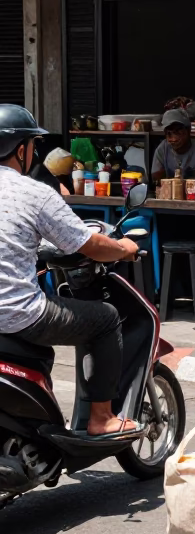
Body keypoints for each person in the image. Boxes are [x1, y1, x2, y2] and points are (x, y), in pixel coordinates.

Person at [0, 105, 141, 436]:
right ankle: (102, 418)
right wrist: (125, 248)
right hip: (18, 315)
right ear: (21, 150)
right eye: (33, 146)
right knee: (105, 318)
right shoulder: (33, 192)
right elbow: (87, 244)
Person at [151, 108, 195, 183]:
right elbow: (156, 178)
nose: (173, 139)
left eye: (178, 132)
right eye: (169, 134)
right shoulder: (163, 148)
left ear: (188, 130)